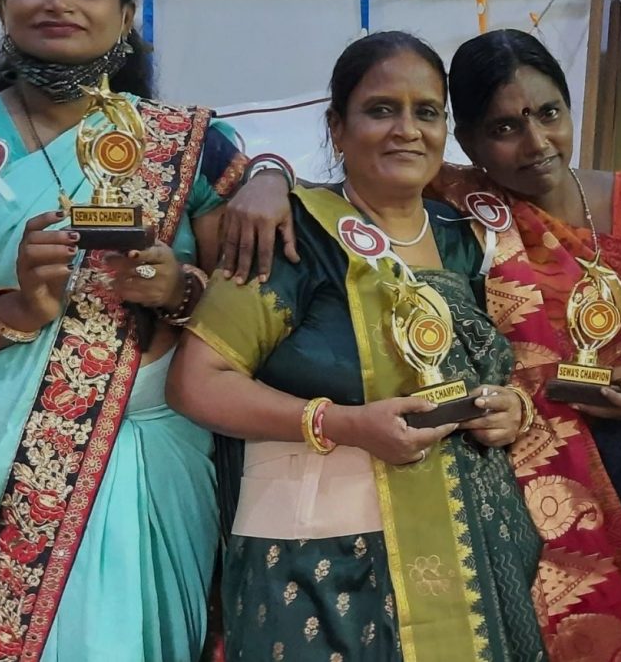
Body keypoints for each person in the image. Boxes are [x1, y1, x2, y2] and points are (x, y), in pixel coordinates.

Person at [166, 32, 545, 661]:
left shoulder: (467, 237)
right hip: (322, 563)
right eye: (381, 110)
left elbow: (499, 366)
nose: (407, 130)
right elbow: (196, 383)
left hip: (468, 556)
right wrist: (342, 424)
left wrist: (508, 409)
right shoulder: (291, 233)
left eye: (426, 112)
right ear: (337, 128)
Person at [0, 0, 292, 661]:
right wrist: (20, 309)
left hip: (151, 453)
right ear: (2, 3)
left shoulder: (187, 144)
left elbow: (249, 305)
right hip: (4, 456)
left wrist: (181, 289)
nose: (58, 1)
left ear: (126, 13)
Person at [429, 28, 621, 660]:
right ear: (467, 141)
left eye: (549, 113)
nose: (537, 142)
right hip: (536, 483)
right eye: (504, 127)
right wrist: (267, 178)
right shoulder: (454, 207)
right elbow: (348, 188)